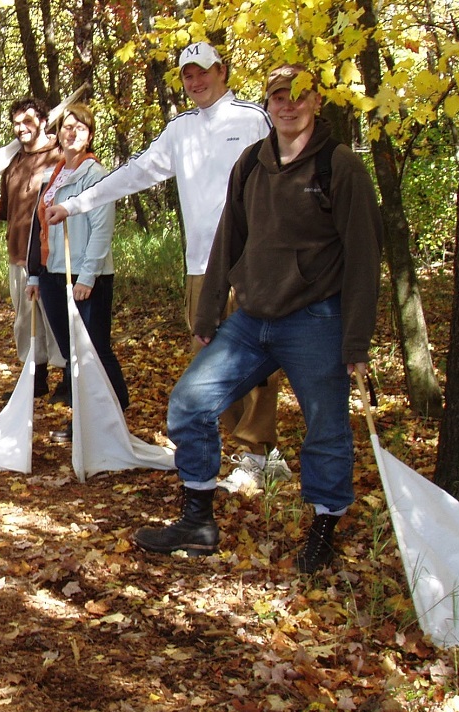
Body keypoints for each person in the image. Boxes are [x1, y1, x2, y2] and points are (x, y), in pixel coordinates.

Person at [130, 64, 383, 574]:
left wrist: (356, 342)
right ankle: (197, 522)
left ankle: (324, 528)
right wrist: (207, 315)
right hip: (251, 320)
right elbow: (228, 241)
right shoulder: (251, 164)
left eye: (298, 97)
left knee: (327, 429)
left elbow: (363, 256)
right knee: (189, 405)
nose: (287, 106)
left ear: (315, 103)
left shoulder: (339, 167)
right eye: (278, 98)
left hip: (316, 318)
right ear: (268, 105)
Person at [44, 42, 284, 490]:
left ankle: (259, 451)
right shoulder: (180, 130)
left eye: (203, 72)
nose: (196, 82)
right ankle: (245, 448)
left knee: (258, 355)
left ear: (223, 70)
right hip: (200, 267)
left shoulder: (253, 119)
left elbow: (282, 181)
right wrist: (74, 205)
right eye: (188, 76)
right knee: (211, 359)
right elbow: (133, 174)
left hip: (252, 262)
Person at [25, 103, 128, 443]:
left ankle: (113, 413)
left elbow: (101, 229)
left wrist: (87, 277)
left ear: (90, 136)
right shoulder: (54, 175)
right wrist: (36, 274)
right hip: (54, 273)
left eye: (80, 128)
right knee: (72, 354)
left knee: (94, 349)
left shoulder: (96, 176)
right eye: (67, 127)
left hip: (85, 277)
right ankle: (85, 419)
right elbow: (38, 228)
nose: (72, 133)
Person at [0, 98, 67, 401]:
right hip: (20, 253)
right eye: (17, 123)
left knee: (56, 318)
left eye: (28, 121)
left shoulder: (61, 156)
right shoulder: (13, 163)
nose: (21, 128)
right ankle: (36, 378)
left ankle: (67, 382)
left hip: (53, 256)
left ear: (43, 122)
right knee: (25, 321)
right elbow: (5, 211)